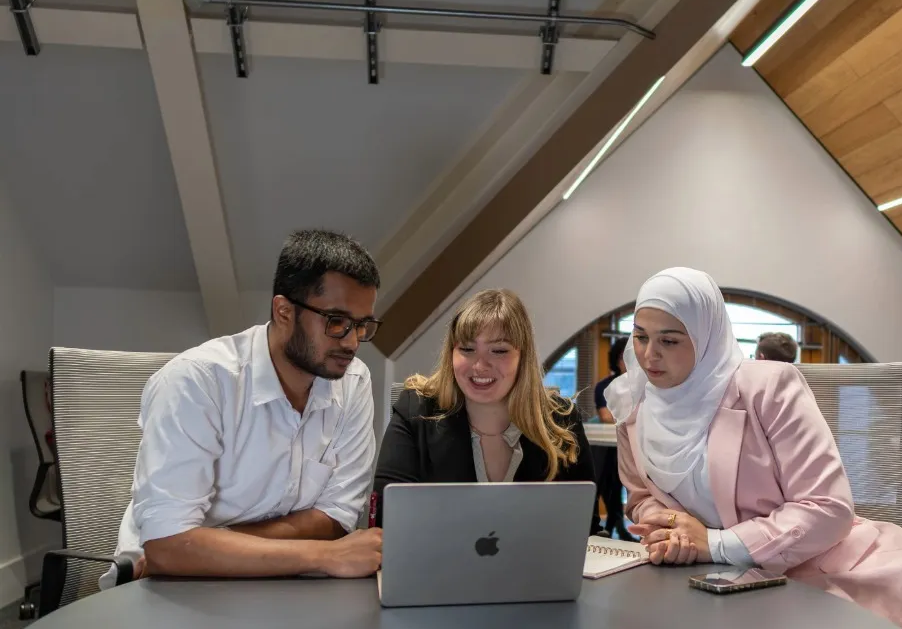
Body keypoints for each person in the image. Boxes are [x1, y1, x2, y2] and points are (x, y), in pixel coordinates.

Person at [607, 268, 902, 629]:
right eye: (640, 337)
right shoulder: (634, 406)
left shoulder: (768, 388)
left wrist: (713, 543)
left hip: (812, 571)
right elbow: (641, 495)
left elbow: (829, 508)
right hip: (702, 582)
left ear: (705, 336)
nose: (650, 355)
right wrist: (669, 528)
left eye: (670, 341)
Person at [103, 230, 385, 588]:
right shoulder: (196, 382)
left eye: (363, 325)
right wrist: (324, 554)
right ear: (284, 311)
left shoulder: (354, 381)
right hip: (174, 588)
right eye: (337, 322)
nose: (352, 341)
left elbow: (336, 517)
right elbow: (167, 550)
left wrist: (210, 545)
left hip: (287, 585)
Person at [371, 289, 595, 520]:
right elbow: (386, 519)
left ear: (523, 356)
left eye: (498, 351)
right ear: (451, 353)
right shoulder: (414, 412)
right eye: (467, 349)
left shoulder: (561, 419)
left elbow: (585, 525)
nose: (480, 365)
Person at [591, 336, 635, 540]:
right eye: (623, 358)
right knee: (608, 478)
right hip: (608, 444)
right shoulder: (604, 386)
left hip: (632, 444)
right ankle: (612, 524)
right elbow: (606, 416)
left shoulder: (647, 385)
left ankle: (615, 525)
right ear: (616, 361)